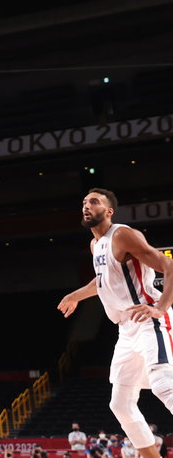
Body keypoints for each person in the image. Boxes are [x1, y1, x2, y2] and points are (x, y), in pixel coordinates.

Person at [59, 188, 173, 458]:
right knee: (120, 404)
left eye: (94, 202)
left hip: (148, 320)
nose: (87, 206)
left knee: (163, 384)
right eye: (84, 202)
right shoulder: (95, 244)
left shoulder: (122, 235)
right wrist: (75, 295)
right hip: (126, 329)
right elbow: (102, 281)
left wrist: (161, 307)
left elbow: (168, 266)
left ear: (109, 211)